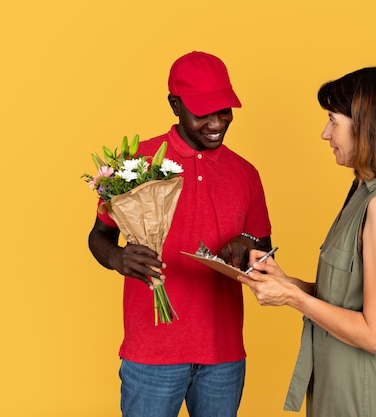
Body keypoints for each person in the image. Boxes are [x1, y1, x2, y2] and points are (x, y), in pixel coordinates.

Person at [88, 51, 272, 417]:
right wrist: (119, 258)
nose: (216, 123)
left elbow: (265, 252)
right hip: (151, 354)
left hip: (223, 355)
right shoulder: (136, 163)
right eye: (203, 112)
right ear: (174, 104)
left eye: (224, 111)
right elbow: (98, 237)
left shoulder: (245, 174)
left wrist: (249, 248)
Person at [238, 67, 376, 417]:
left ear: (365, 125)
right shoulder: (363, 190)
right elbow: (346, 298)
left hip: (362, 400)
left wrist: (292, 298)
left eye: (333, 121)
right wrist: (284, 283)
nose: (325, 134)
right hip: (335, 389)